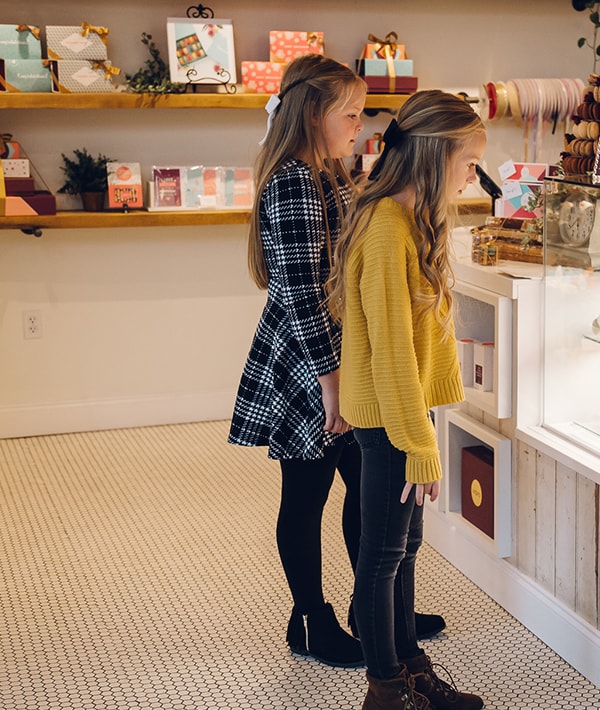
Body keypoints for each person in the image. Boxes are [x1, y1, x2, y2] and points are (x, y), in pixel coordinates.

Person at [227, 55, 443, 669]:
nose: (359, 123)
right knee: (306, 492)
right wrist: (332, 383)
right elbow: (299, 290)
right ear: (311, 114)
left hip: (336, 359)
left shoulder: (325, 172)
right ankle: (311, 620)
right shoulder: (294, 181)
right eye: (349, 113)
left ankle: (372, 608)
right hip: (310, 363)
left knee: (360, 485)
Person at [327, 91, 486, 709]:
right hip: (390, 418)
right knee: (382, 555)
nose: (473, 175)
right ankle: (386, 690)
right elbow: (392, 351)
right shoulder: (388, 229)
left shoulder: (409, 219)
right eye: (467, 162)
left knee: (405, 546)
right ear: (433, 157)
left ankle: (409, 667)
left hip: (402, 410)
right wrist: (419, 442)